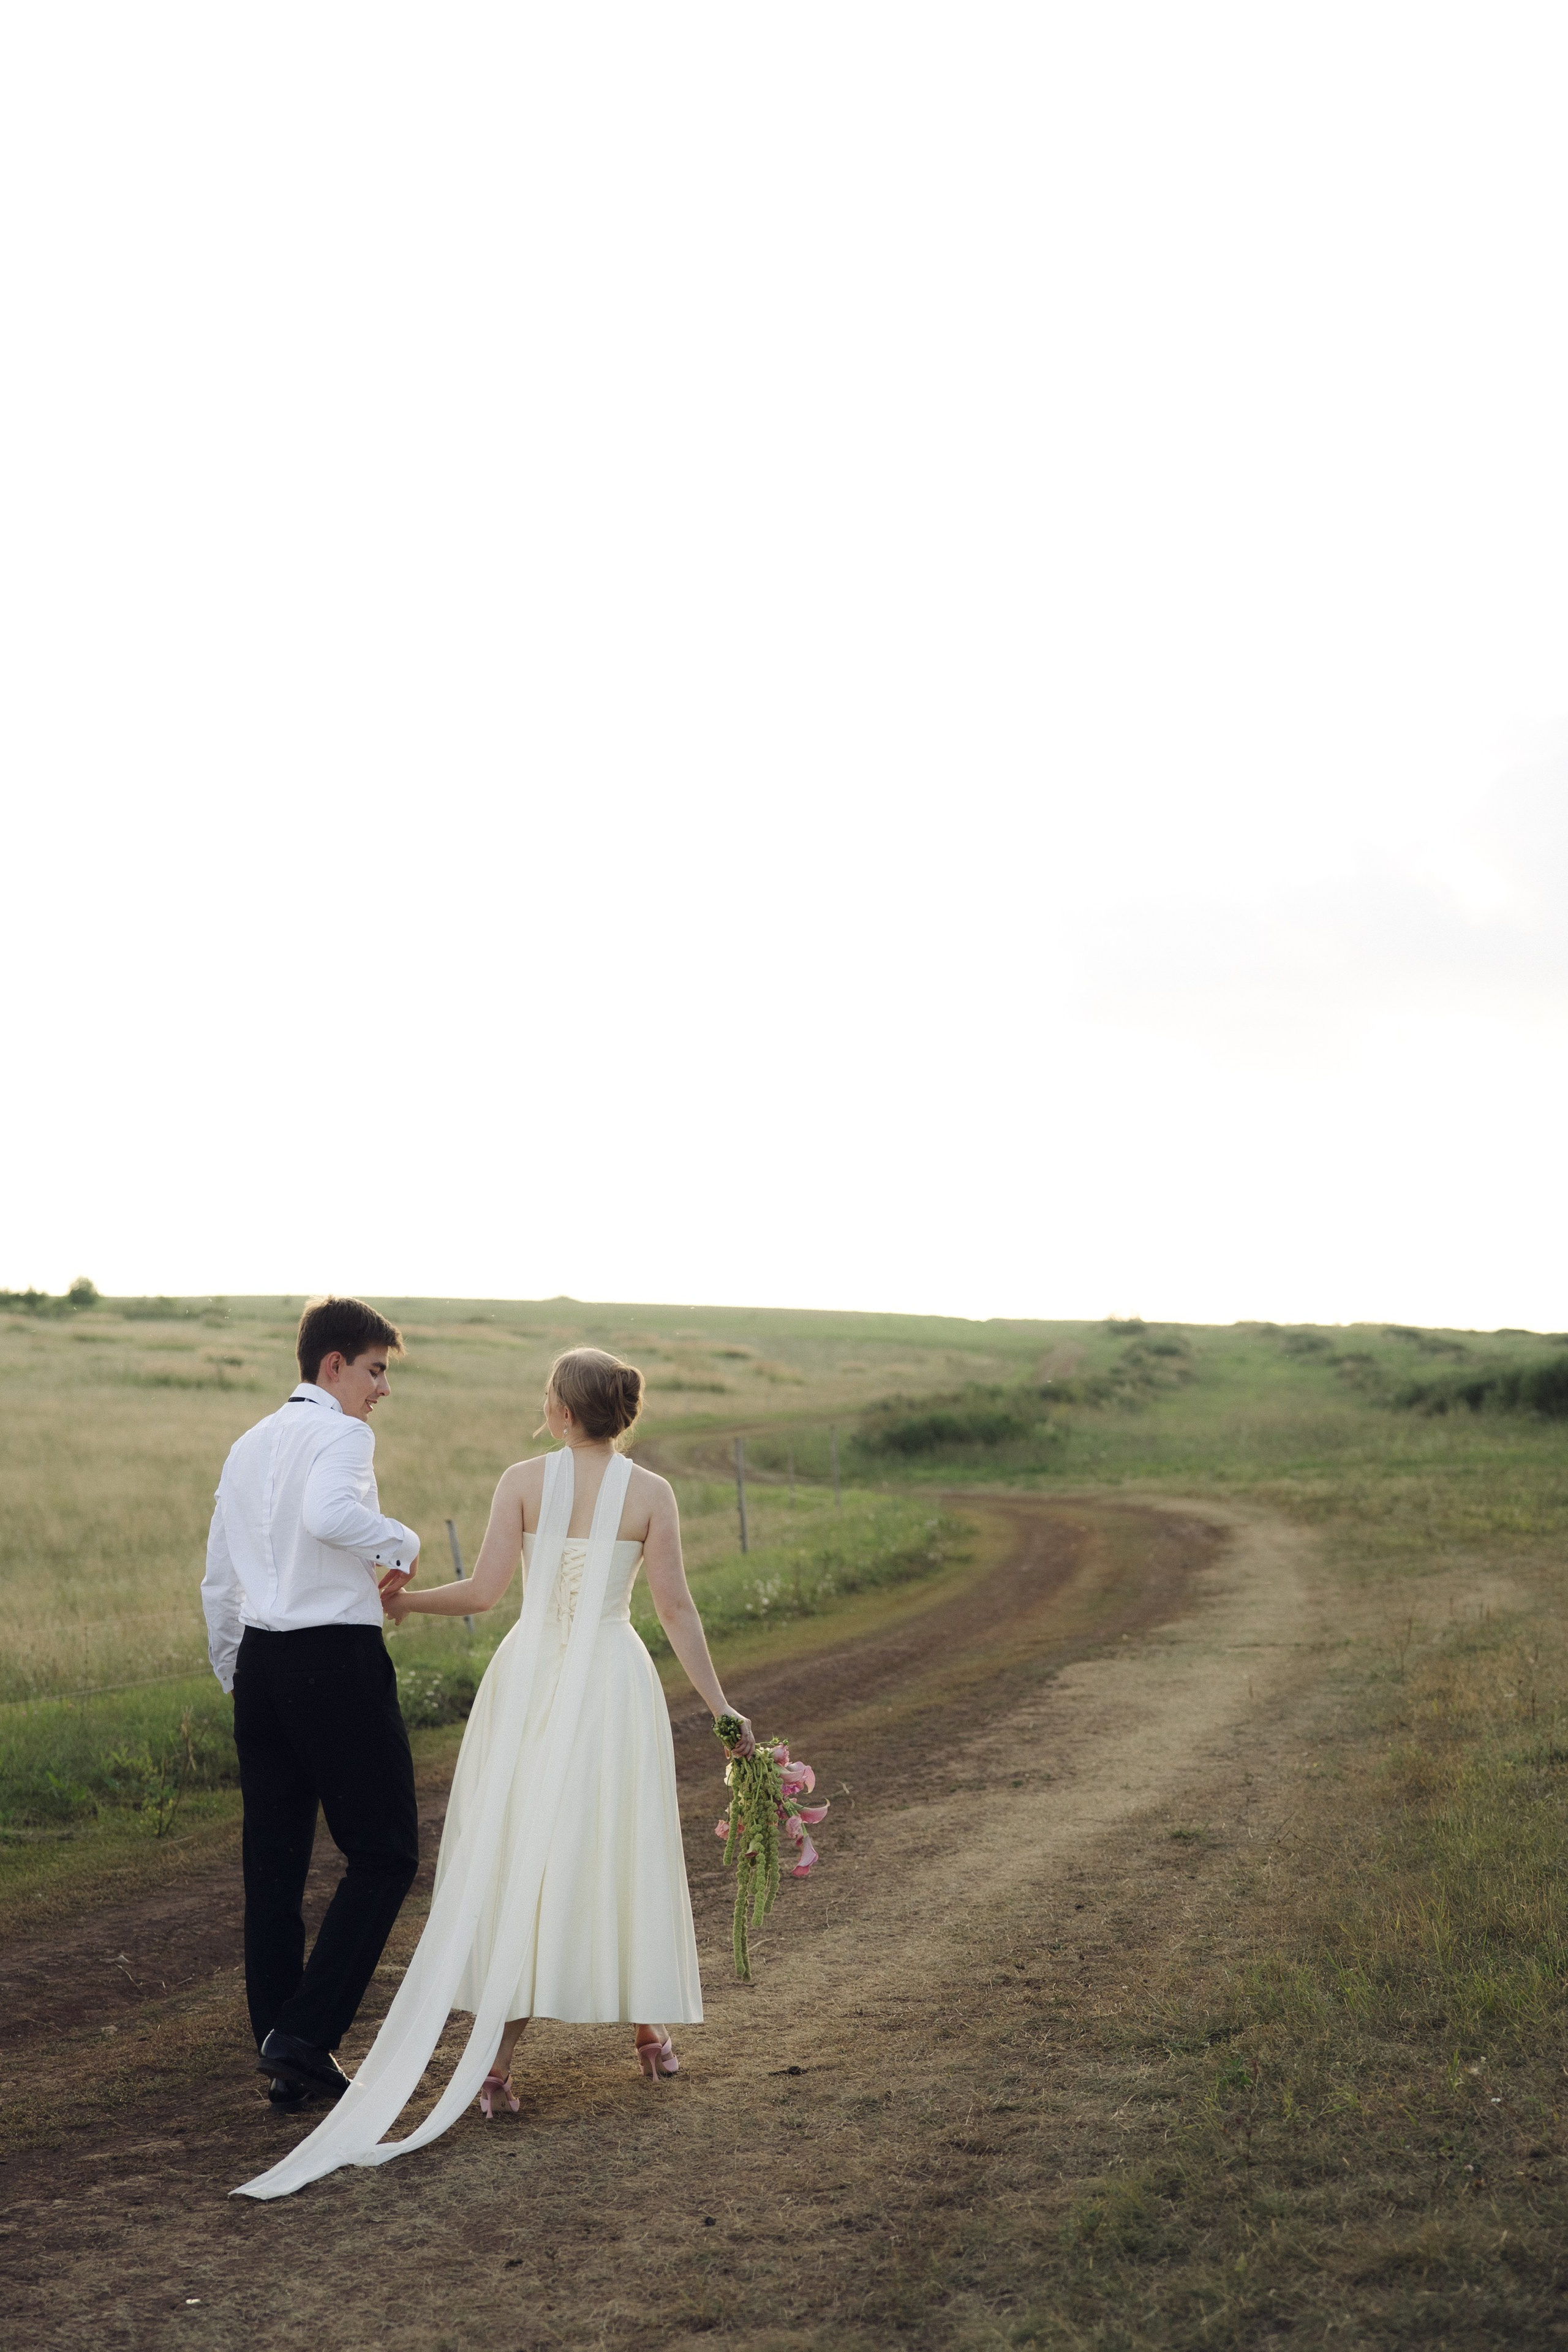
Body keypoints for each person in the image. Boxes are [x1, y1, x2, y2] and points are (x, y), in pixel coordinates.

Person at [233, 1346, 754, 2199]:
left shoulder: (522, 1480)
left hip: (531, 1681)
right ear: (623, 1413)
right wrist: (722, 1707)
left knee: (523, 1852)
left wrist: (400, 1601)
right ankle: (650, 2034)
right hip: (612, 1684)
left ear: (558, 1410)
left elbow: (481, 1593)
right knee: (611, 1842)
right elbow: (676, 1610)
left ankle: (497, 2067)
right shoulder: (652, 1495)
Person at [201, 1296, 421, 2111]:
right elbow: (331, 1515)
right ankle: (303, 2036)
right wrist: (405, 1543)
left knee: (275, 1868)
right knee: (387, 1850)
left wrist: (239, 1675)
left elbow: (219, 1581)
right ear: (333, 1366)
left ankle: (283, 2051)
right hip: (333, 1658)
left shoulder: (248, 1444)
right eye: (375, 1370)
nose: (381, 1390)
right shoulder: (343, 1434)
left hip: (260, 1662)